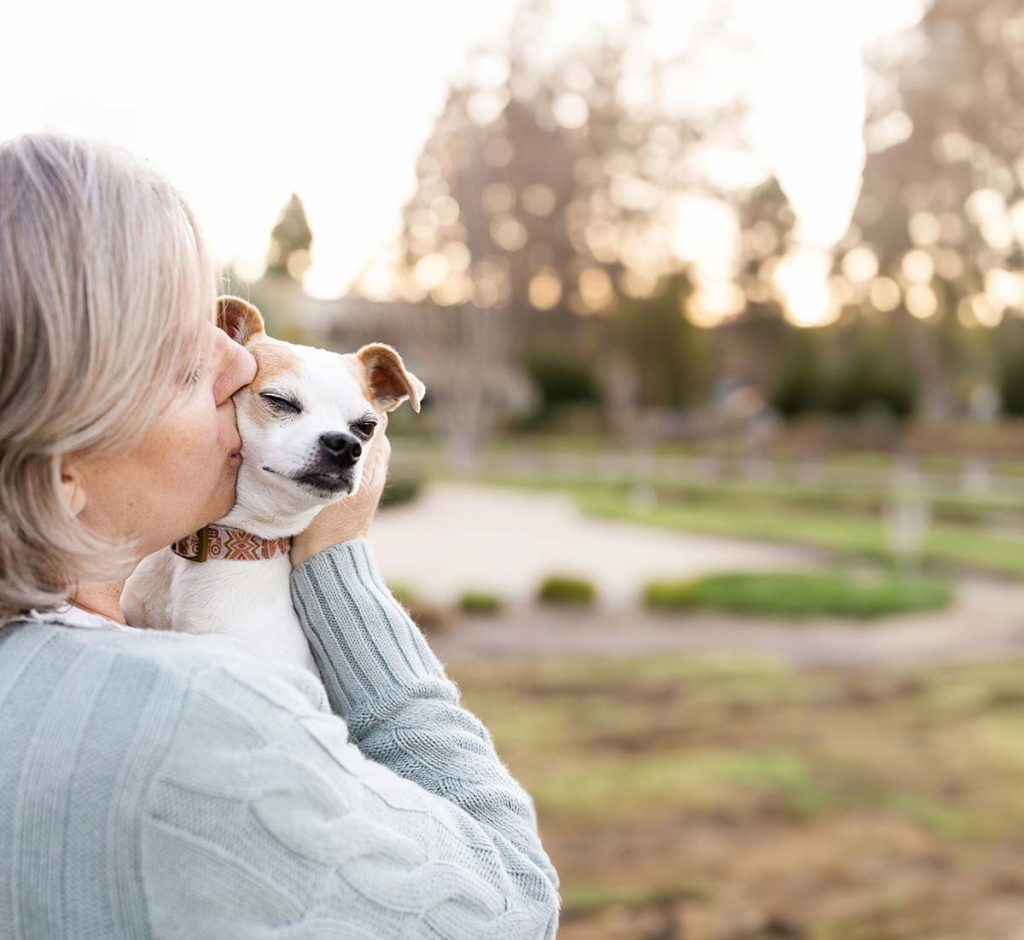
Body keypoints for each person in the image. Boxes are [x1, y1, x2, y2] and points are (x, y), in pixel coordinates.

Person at [0, 133, 560, 938]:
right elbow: (510, 905)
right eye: (187, 365)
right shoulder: (199, 722)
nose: (238, 370)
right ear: (61, 472)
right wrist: (341, 560)